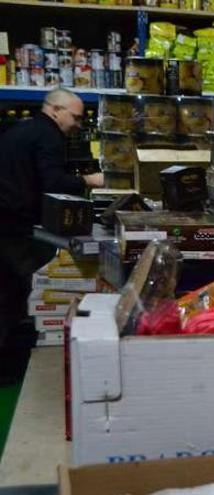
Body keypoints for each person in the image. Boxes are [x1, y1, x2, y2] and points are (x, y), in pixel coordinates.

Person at [0, 88, 104, 384]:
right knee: (21, 290)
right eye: (75, 117)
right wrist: (90, 180)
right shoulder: (49, 137)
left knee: (7, 292)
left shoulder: (21, 131)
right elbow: (53, 182)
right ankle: (11, 366)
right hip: (13, 226)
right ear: (55, 110)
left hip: (6, 220)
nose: (78, 124)